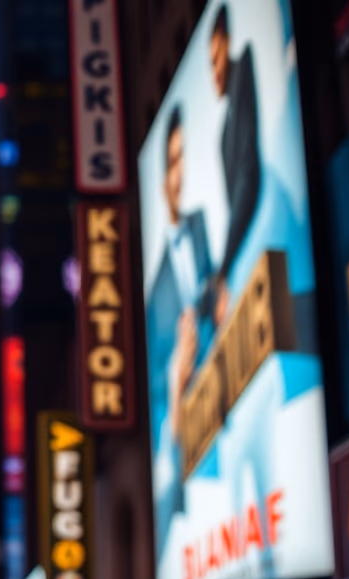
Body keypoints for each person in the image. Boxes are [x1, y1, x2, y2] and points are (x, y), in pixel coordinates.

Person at [147, 105, 219, 550]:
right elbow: (157, 382)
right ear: (161, 179)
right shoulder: (155, 292)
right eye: (171, 162)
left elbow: (212, 288)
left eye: (182, 158)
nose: (180, 173)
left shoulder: (199, 225)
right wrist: (176, 373)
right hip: (190, 430)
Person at [208, 3, 261, 279]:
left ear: (227, 44)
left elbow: (247, 175)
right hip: (247, 258)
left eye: (216, 59)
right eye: (210, 64)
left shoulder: (244, 67)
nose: (213, 73)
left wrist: (224, 266)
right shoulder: (222, 136)